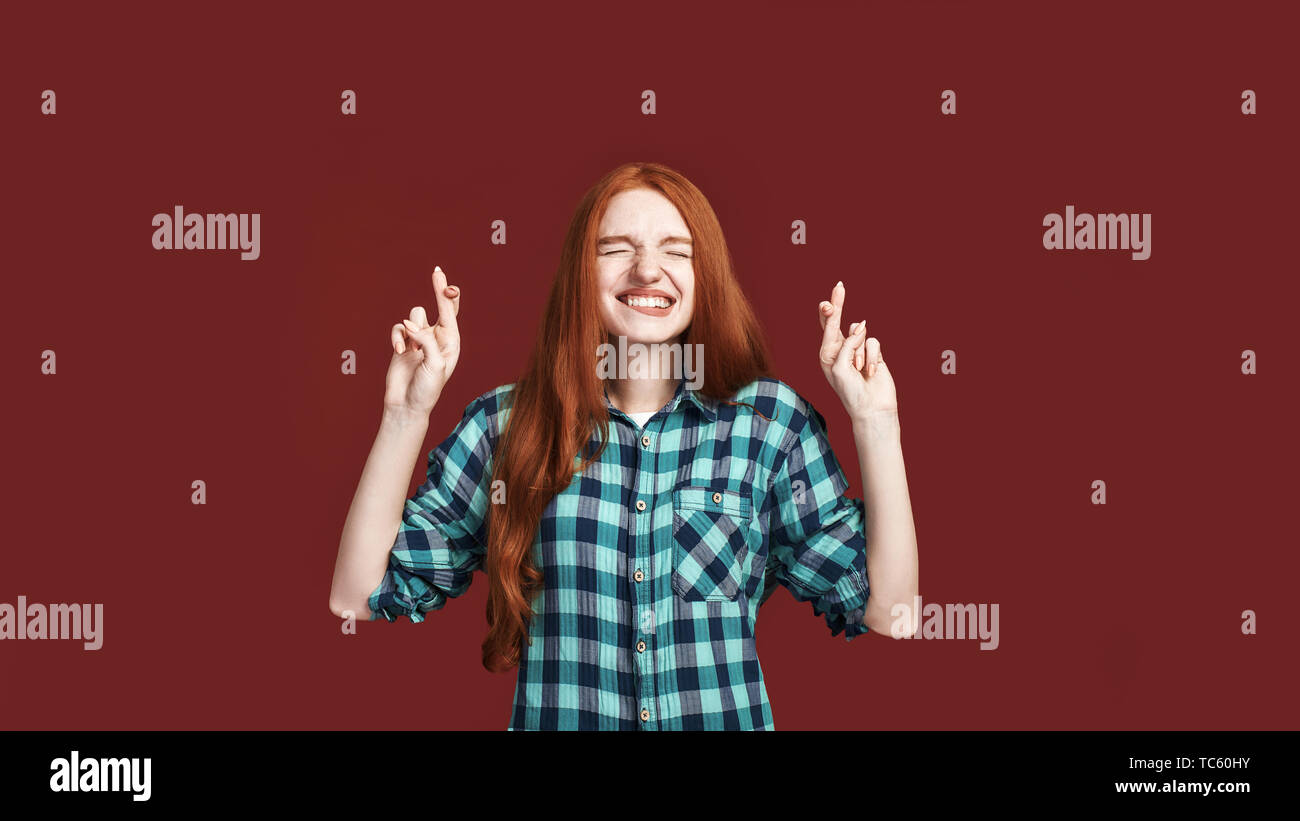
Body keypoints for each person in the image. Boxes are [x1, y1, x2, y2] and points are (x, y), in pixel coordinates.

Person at [328, 162, 919, 730]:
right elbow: (357, 596)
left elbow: (892, 612)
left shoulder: (769, 424)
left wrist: (877, 422)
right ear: (580, 273)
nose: (646, 270)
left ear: (705, 275)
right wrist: (405, 413)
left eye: (676, 251)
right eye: (616, 249)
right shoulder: (504, 426)